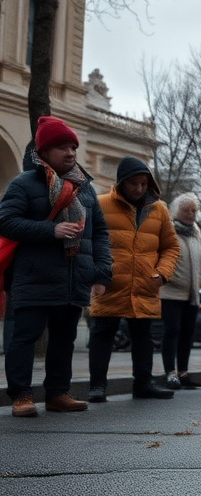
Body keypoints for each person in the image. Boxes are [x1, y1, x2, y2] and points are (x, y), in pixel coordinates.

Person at [0, 117, 111, 417]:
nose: (71, 152)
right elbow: (6, 221)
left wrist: (101, 273)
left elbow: (100, 232)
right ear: (45, 152)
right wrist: (51, 231)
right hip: (34, 275)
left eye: (73, 146)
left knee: (65, 338)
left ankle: (58, 393)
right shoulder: (24, 183)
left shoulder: (85, 188)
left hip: (75, 276)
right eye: (62, 146)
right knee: (26, 335)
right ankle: (21, 396)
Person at [87, 156, 180, 402]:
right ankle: (97, 386)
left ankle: (143, 384)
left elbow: (171, 247)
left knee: (143, 336)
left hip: (145, 283)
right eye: (134, 184)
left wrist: (162, 273)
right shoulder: (100, 204)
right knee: (102, 333)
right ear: (121, 183)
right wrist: (98, 274)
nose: (139, 189)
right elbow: (90, 243)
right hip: (108, 284)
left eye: (143, 183)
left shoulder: (159, 209)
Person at [159, 193, 201, 390]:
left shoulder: (196, 232)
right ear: (175, 211)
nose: (190, 214)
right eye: (186, 210)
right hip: (170, 292)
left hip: (192, 293)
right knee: (172, 331)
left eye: (193, 210)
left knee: (187, 334)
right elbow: (162, 259)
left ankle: (183, 372)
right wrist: (176, 279)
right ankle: (170, 373)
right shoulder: (167, 229)